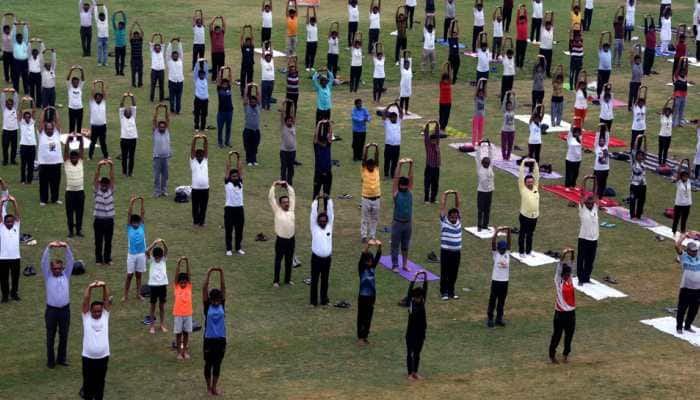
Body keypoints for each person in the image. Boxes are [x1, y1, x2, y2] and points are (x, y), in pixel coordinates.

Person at [41, 241, 74, 368]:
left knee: (64, 335)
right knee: (50, 336)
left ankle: (61, 358)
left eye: (59, 268)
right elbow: (43, 262)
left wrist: (66, 247)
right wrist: (48, 247)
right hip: (51, 311)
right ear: (51, 269)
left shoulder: (66, 275)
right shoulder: (47, 276)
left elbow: (71, 261)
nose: (57, 270)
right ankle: (50, 361)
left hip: (65, 310)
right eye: (55, 268)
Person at [81, 280, 111, 400]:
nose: (97, 313)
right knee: (88, 383)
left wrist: (104, 286)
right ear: (90, 311)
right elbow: (86, 300)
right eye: (95, 311)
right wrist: (90, 287)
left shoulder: (105, 315)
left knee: (100, 382)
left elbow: (106, 299)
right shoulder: (86, 317)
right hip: (88, 357)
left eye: (99, 311)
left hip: (103, 356)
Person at [202, 267, 226, 396]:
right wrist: (209, 272)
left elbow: (223, 287)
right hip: (209, 340)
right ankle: (208, 388)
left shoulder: (222, 304)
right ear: (211, 299)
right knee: (208, 364)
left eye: (218, 299)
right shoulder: (207, 306)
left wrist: (221, 273)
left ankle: (214, 387)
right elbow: (204, 288)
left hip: (221, 340)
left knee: (217, 365)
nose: (217, 302)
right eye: (214, 300)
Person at [549, 249, 576, 364]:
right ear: (562, 274)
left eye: (568, 274)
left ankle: (566, 354)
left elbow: (572, 262)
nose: (567, 276)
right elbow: (560, 264)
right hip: (560, 314)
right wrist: (564, 254)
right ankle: (552, 355)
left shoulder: (570, 279)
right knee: (557, 335)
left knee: (569, 335)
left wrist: (572, 253)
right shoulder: (558, 280)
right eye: (565, 274)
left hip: (571, 313)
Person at [269, 181, 296, 287]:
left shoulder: (291, 209)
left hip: (291, 239)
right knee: (278, 260)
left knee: (289, 260)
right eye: (284, 202)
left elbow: (292, 195)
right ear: (280, 204)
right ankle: (276, 281)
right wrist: (274, 185)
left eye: (287, 202)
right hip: (281, 240)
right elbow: (271, 198)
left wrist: (287, 185)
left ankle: (287, 280)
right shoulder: (277, 210)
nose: (287, 203)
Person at [309, 195, 334, 306]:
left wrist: (328, 199)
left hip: (327, 259)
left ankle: (324, 300)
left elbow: (331, 212)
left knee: (325, 280)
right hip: (316, 259)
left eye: (325, 221)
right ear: (318, 221)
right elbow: (313, 213)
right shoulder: (314, 227)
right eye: (321, 221)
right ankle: (313, 301)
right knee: (314, 280)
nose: (323, 222)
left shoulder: (329, 226)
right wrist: (316, 200)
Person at [673, 234, 700, 334]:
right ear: (688, 250)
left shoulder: (699, 255)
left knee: (694, 310)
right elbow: (677, 246)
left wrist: (697, 234)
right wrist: (683, 237)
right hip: (686, 288)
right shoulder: (683, 256)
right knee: (682, 309)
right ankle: (679, 327)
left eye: (695, 250)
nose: (694, 252)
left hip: (698, 289)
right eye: (692, 251)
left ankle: (688, 326)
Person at [391, 159, 414, 272]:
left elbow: (411, 178)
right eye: (402, 185)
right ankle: (395, 265)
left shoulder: (409, 192)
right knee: (395, 245)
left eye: (405, 185)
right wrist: (399, 165)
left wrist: (411, 165)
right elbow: (395, 179)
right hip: (397, 223)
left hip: (408, 223)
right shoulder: (396, 193)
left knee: (405, 245)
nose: (404, 187)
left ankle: (404, 264)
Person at [357, 239, 382, 344]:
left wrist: (379, 247)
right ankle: (360, 337)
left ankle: (365, 336)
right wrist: (368, 246)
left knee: (368, 317)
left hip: (372, 296)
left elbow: (378, 257)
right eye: (368, 260)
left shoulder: (372, 268)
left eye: (371, 260)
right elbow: (362, 256)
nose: (370, 262)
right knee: (361, 317)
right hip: (363, 296)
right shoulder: (361, 269)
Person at [38, 108, 63, 205]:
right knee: (43, 183)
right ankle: (43, 200)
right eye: (47, 129)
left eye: (51, 129)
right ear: (45, 128)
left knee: (55, 182)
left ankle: (55, 199)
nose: (49, 130)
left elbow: (57, 121)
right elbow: (41, 122)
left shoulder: (57, 133)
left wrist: (54, 110)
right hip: (44, 163)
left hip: (56, 163)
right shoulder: (41, 134)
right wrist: (44, 111)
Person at [405, 270, 427, 381]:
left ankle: (415, 372)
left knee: (417, 354)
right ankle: (409, 373)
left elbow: (425, 290)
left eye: (420, 297)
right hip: (410, 334)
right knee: (410, 353)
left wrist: (425, 276)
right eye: (417, 297)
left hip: (420, 333)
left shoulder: (422, 302)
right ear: (414, 297)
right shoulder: (410, 304)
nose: (419, 299)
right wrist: (413, 279)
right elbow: (409, 292)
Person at [439, 190, 461, 300]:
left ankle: (451, 292)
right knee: (445, 273)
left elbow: (458, 205)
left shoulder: (458, 221)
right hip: (446, 252)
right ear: (448, 216)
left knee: (454, 273)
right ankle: (444, 292)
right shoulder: (444, 221)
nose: (454, 219)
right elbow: (442, 206)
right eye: (452, 217)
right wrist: (445, 194)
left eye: (456, 217)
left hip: (456, 253)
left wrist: (456, 194)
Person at [123, 196, 145, 302]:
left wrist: (142, 202)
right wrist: (131, 202)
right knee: (129, 275)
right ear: (131, 223)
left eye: (137, 222)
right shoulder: (129, 228)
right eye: (134, 222)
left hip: (141, 254)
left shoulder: (142, 226)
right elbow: (129, 214)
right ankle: (125, 295)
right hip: (131, 254)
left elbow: (142, 213)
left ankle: (138, 294)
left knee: (139, 275)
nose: (136, 224)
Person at [488, 227, 511, 327]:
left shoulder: (507, 253)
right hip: (496, 281)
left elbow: (509, 242)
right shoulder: (495, 254)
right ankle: (490, 318)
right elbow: (493, 243)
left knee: (501, 301)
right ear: (498, 248)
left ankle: (499, 318)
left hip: (505, 281)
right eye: (501, 249)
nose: (502, 250)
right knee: (493, 300)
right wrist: (496, 233)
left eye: (504, 248)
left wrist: (509, 231)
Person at [93, 160, 115, 265]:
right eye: (103, 183)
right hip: (99, 220)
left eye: (106, 183)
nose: (104, 185)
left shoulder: (111, 190)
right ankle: (98, 259)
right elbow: (95, 178)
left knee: (108, 241)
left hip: (109, 221)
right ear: (100, 184)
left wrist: (111, 166)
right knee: (98, 241)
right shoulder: (97, 190)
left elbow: (113, 178)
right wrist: (98, 166)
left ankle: (107, 259)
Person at [63, 134, 85, 237]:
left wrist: (81, 140)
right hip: (70, 192)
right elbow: (66, 151)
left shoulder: (81, 162)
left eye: (75, 157)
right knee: (70, 213)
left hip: (80, 192)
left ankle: (79, 230)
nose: (74, 159)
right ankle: (71, 231)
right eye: (72, 157)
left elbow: (81, 150)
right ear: (70, 158)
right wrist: (67, 140)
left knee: (80, 212)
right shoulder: (67, 163)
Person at [0, 194, 21, 303]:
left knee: (15, 278)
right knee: (3, 279)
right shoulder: (1, 227)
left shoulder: (16, 226)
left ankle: (14, 294)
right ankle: (4, 296)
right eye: (7, 222)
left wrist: (14, 201)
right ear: (4, 222)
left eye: (11, 221)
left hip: (16, 257)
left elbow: (17, 214)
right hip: (2, 258)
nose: (9, 223)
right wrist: (1, 203)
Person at [146, 238, 169, 334]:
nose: (158, 259)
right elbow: (147, 251)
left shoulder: (164, 259)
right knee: (152, 306)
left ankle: (162, 325)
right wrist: (154, 243)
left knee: (162, 306)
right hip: (153, 286)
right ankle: (152, 326)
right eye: (156, 257)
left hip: (163, 286)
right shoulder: (151, 260)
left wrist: (163, 242)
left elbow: (166, 250)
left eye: (159, 257)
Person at [224, 152, 245, 256]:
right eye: (233, 176)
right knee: (229, 229)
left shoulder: (240, 182)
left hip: (240, 209)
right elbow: (227, 169)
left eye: (236, 176)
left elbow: (240, 169)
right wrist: (229, 157)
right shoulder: (227, 183)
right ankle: (228, 249)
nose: (235, 177)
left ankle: (238, 247)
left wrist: (238, 157)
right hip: (229, 209)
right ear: (230, 177)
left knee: (239, 229)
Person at [518, 158, 540, 256]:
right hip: (524, 216)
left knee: (530, 234)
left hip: (534, 217)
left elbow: (537, 175)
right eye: (528, 182)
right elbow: (521, 175)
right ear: (525, 183)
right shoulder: (522, 188)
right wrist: (523, 163)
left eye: (531, 182)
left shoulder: (535, 187)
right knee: (523, 234)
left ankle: (529, 251)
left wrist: (535, 163)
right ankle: (521, 252)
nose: (530, 183)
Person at [577, 186, 599, 285]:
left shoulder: (595, 208)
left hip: (594, 239)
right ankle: (580, 279)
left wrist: (595, 181)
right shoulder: (582, 209)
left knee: (590, 260)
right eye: (588, 203)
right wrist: (585, 181)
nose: (590, 204)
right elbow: (582, 196)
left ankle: (587, 277)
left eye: (591, 203)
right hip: (584, 238)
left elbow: (595, 196)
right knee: (581, 259)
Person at [173, 257, 192, 359]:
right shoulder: (176, 286)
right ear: (178, 282)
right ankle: (179, 352)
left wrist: (187, 262)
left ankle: (184, 351)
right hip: (178, 314)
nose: (183, 284)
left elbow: (189, 275)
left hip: (188, 314)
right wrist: (179, 263)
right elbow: (176, 276)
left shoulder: (189, 286)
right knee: (178, 333)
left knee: (186, 333)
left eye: (185, 282)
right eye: (182, 282)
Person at [361, 143, 381, 242]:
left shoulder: (376, 168)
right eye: (369, 165)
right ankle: (364, 236)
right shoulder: (364, 169)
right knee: (365, 218)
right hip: (366, 198)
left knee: (374, 219)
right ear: (367, 165)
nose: (371, 167)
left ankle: (372, 236)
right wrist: (366, 148)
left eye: (372, 165)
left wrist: (376, 148)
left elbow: (377, 158)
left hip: (377, 198)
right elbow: (364, 158)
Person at [151, 104, 171, 198]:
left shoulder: (167, 131)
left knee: (165, 176)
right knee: (156, 176)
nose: (162, 128)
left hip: (166, 157)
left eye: (163, 126)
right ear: (158, 127)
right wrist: (157, 108)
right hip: (157, 157)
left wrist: (166, 109)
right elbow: (154, 120)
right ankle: (157, 191)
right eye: (161, 127)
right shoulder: (155, 132)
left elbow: (168, 119)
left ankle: (164, 190)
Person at [190, 134, 210, 227]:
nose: (201, 155)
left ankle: (202, 222)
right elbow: (192, 149)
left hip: (205, 188)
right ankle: (195, 222)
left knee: (203, 206)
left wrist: (205, 139)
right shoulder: (193, 161)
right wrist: (195, 139)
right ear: (196, 155)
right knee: (195, 206)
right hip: (195, 188)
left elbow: (206, 149)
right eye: (199, 154)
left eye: (202, 154)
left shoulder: (205, 160)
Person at [476, 142, 494, 231]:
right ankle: (479, 225)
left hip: (490, 192)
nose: (487, 165)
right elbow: (477, 156)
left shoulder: (490, 167)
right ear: (482, 163)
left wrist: (489, 146)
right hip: (481, 192)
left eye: (488, 163)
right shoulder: (479, 167)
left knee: (487, 209)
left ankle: (485, 225)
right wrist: (479, 146)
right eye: (485, 164)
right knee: (480, 209)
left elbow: (491, 156)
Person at [118, 93, 137, 177]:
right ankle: (124, 172)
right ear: (124, 113)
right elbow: (121, 105)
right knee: (124, 156)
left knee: (132, 156)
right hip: (124, 139)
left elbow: (134, 105)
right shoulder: (122, 118)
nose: (128, 111)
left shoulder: (133, 117)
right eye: (126, 111)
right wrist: (124, 97)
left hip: (133, 139)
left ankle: (131, 172)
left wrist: (132, 96)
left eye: (129, 111)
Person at [313, 121, 333, 198]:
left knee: (327, 193)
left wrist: (329, 124)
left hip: (328, 173)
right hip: (318, 173)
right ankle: (314, 209)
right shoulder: (317, 147)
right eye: (323, 141)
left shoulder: (328, 146)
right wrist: (319, 123)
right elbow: (315, 136)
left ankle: (325, 209)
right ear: (320, 141)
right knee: (316, 193)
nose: (325, 143)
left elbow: (330, 135)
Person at [242, 84, 261, 166]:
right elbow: (245, 96)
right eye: (252, 101)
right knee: (248, 145)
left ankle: (254, 159)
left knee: (255, 145)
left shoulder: (258, 106)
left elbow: (258, 95)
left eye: (254, 101)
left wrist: (256, 87)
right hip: (248, 130)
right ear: (249, 102)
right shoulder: (247, 107)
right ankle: (248, 160)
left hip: (256, 130)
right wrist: (247, 86)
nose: (253, 102)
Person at [88, 83, 108, 160]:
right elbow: (92, 93)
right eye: (97, 97)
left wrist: (102, 85)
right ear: (95, 98)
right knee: (93, 142)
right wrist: (94, 85)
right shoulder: (92, 103)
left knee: (103, 142)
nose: (98, 98)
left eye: (100, 97)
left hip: (103, 126)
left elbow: (104, 94)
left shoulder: (103, 103)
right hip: (94, 127)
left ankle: (106, 156)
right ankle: (90, 156)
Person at [383, 103, 403, 178]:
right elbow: (384, 113)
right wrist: (389, 106)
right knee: (387, 160)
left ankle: (392, 174)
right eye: (392, 117)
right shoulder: (386, 122)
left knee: (395, 161)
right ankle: (386, 174)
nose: (394, 119)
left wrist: (397, 105)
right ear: (390, 118)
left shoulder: (398, 122)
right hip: (388, 145)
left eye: (395, 117)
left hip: (397, 146)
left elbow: (401, 113)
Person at [423, 122, 441, 204]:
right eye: (432, 140)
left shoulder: (437, 144)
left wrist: (437, 124)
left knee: (435, 184)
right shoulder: (428, 145)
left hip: (436, 167)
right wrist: (427, 125)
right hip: (429, 167)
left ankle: (433, 198)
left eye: (435, 140)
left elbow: (437, 134)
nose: (434, 141)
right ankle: (426, 199)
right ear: (430, 140)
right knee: (427, 183)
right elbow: (426, 136)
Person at [18, 105, 36, 183]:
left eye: (29, 117)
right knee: (23, 164)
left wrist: (32, 101)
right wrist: (23, 101)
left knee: (31, 164)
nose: (28, 118)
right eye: (26, 117)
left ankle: (29, 180)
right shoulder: (22, 123)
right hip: (24, 146)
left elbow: (34, 111)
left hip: (32, 146)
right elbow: (20, 112)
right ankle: (23, 180)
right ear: (24, 118)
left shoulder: (32, 122)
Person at [672, 169, 692, 236]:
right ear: (681, 177)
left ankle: (683, 231)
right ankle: (674, 231)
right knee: (676, 219)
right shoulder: (678, 182)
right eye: (684, 176)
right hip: (679, 204)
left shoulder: (688, 181)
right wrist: (681, 163)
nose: (685, 178)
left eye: (686, 176)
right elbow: (678, 174)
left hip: (687, 204)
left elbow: (689, 172)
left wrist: (689, 163)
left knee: (684, 219)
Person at [166, 39, 184, 115]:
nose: (175, 56)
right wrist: (171, 42)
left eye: (176, 55)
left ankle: (178, 110)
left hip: (180, 82)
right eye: (174, 55)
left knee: (179, 98)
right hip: (172, 82)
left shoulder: (180, 60)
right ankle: (172, 110)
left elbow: (181, 51)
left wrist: (179, 43)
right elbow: (167, 53)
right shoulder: (169, 61)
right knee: (172, 97)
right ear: (172, 56)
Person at [10, 21, 29, 93]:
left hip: (24, 62)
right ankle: (15, 90)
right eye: (19, 38)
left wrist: (24, 26)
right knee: (16, 77)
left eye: (21, 38)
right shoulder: (14, 43)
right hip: (16, 62)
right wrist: (14, 26)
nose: (20, 39)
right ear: (16, 39)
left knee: (25, 77)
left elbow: (26, 35)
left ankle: (26, 91)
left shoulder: (25, 42)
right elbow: (13, 35)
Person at [278, 108, 296, 184]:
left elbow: (293, 114)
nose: (290, 122)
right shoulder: (283, 127)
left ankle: (289, 182)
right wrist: (283, 104)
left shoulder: (294, 127)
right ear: (285, 122)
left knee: (291, 167)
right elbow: (282, 116)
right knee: (284, 167)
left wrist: (292, 105)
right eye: (288, 121)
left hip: (292, 151)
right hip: (284, 151)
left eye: (291, 121)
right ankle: (283, 182)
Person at [1, 88, 18, 166]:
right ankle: (5, 160)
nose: (10, 105)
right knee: (5, 146)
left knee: (14, 147)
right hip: (6, 131)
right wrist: (4, 92)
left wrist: (14, 92)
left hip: (14, 131)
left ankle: (13, 160)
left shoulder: (15, 108)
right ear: (6, 104)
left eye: (11, 104)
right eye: (8, 104)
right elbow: (2, 100)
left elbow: (16, 99)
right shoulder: (4, 109)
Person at [66, 66, 85, 134]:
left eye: (77, 82)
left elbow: (83, 79)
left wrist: (81, 70)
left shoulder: (80, 87)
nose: (76, 83)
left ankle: (79, 138)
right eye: (74, 82)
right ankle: (71, 139)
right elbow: (67, 79)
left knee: (79, 124)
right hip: (72, 108)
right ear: (72, 82)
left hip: (80, 108)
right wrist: (71, 70)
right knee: (72, 124)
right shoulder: (70, 88)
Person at [216, 73, 233, 148]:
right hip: (221, 112)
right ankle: (220, 142)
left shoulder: (229, 89)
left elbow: (230, 79)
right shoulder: (219, 90)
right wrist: (221, 71)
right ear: (221, 85)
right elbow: (218, 81)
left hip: (229, 112)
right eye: (224, 84)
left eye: (226, 84)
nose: (225, 85)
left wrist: (229, 70)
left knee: (228, 127)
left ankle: (227, 141)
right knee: (220, 127)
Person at [630, 146, 647, 220]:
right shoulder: (633, 162)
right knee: (633, 200)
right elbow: (633, 150)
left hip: (643, 184)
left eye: (641, 155)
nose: (640, 157)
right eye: (638, 155)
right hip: (634, 184)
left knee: (641, 200)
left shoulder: (643, 163)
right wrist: (637, 137)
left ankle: (638, 215)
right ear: (636, 156)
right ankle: (633, 215)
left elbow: (646, 150)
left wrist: (645, 139)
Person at [594, 126, 610, 198]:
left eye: (603, 141)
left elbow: (607, 136)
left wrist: (606, 127)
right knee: (598, 183)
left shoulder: (606, 146)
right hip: (598, 169)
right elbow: (597, 138)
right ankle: (596, 196)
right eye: (600, 141)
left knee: (603, 183)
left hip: (605, 169)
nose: (602, 142)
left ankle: (600, 197)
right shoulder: (596, 147)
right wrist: (598, 129)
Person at [148, 37, 165, 103]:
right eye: (156, 48)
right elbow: (151, 44)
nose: (157, 49)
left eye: (159, 48)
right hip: (154, 71)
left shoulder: (162, 52)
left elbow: (162, 43)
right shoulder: (152, 52)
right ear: (154, 49)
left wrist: (160, 36)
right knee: (153, 85)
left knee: (161, 85)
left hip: (161, 71)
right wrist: (153, 35)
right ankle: (151, 99)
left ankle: (161, 99)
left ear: (160, 48)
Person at [193, 58, 209, 131]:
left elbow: (206, 70)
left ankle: (203, 127)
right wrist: (197, 62)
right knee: (197, 113)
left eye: (203, 74)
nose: (202, 75)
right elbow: (195, 71)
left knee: (204, 114)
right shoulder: (196, 79)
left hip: (205, 100)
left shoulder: (206, 79)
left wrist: (205, 63)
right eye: (200, 74)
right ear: (198, 75)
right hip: (198, 99)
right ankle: (196, 126)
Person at [500, 91, 516, 160]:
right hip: (505, 130)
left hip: (512, 130)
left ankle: (508, 156)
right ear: (506, 106)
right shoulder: (504, 111)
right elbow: (503, 103)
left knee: (510, 145)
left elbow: (515, 104)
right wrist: (506, 95)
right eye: (508, 105)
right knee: (504, 145)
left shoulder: (513, 111)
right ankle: (504, 156)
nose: (509, 106)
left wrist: (514, 96)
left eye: (510, 105)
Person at [209, 16, 226, 82]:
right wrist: (215, 18)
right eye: (216, 29)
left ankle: (220, 78)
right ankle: (214, 78)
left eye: (219, 29)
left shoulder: (222, 33)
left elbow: (224, 25)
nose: (218, 30)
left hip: (221, 52)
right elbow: (211, 25)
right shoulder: (212, 33)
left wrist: (222, 18)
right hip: (214, 52)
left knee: (221, 66)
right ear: (214, 29)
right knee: (214, 66)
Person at [27, 40, 44, 105]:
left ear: (37, 53)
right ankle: (32, 104)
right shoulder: (29, 58)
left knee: (38, 90)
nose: (35, 54)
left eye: (36, 53)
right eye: (34, 53)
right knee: (32, 90)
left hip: (38, 75)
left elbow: (42, 50)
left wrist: (41, 42)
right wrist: (30, 43)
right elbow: (28, 50)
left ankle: (38, 104)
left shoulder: (39, 58)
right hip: (31, 75)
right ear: (32, 53)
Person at [240, 31, 255, 97]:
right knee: (243, 79)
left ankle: (249, 93)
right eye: (247, 41)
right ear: (245, 42)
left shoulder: (252, 47)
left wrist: (251, 29)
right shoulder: (243, 47)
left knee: (250, 79)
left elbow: (253, 38)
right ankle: (242, 92)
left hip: (250, 66)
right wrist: (243, 29)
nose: (248, 42)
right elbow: (241, 39)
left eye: (249, 41)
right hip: (244, 65)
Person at [129, 21, 144, 88]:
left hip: (140, 58)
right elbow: (130, 33)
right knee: (133, 72)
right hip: (133, 59)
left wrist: (138, 24)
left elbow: (142, 32)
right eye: (135, 35)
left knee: (140, 72)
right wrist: (133, 25)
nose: (136, 36)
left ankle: (140, 83)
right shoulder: (132, 41)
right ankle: (133, 84)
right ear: (134, 36)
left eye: (137, 35)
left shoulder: (140, 40)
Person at [112, 11, 127, 75]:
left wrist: (122, 13)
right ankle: (117, 72)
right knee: (117, 60)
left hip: (123, 47)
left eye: (121, 25)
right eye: (119, 25)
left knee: (123, 60)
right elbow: (113, 21)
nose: (119, 26)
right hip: (117, 47)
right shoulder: (116, 30)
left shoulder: (124, 29)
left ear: (123, 26)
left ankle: (121, 71)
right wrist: (115, 13)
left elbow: (125, 19)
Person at [93, 2, 109, 67]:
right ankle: (99, 62)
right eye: (101, 17)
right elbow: (95, 14)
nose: (102, 18)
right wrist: (96, 7)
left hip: (106, 38)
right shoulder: (98, 21)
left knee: (105, 51)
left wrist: (104, 6)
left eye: (103, 16)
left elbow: (106, 12)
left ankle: (105, 62)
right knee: (100, 51)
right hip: (100, 38)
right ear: (99, 17)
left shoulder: (106, 21)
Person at [1, 15, 15, 84]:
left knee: (12, 67)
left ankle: (12, 79)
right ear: (4, 30)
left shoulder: (12, 34)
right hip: (5, 53)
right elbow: (2, 25)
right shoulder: (3, 34)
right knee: (6, 67)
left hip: (12, 53)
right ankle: (7, 79)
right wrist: (4, 17)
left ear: (9, 29)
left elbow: (14, 26)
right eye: (5, 30)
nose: (7, 31)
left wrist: (14, 17)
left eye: (8, 29)